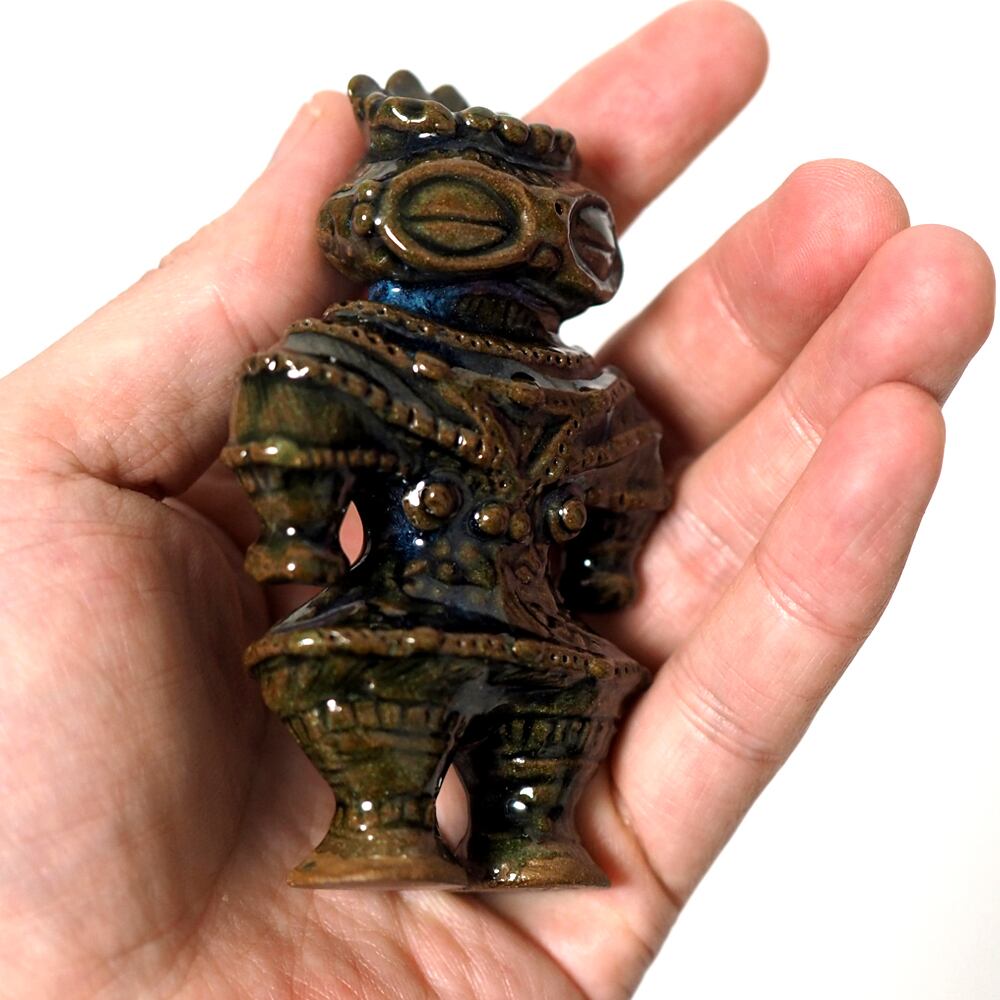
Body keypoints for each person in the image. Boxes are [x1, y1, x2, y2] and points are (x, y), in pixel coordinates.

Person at [0, 2, 993, 997]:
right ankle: (381, 821)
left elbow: (628, 479)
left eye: (563, 222)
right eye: (476, 210)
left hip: (540, 633)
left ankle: (528, 831)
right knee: (365, 689)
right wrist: (299, 537)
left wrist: (602, 564)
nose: (531, 240)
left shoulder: (592, 395)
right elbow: (287, 429)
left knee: (562, 709)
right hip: (392, 620)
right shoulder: (349, 358)